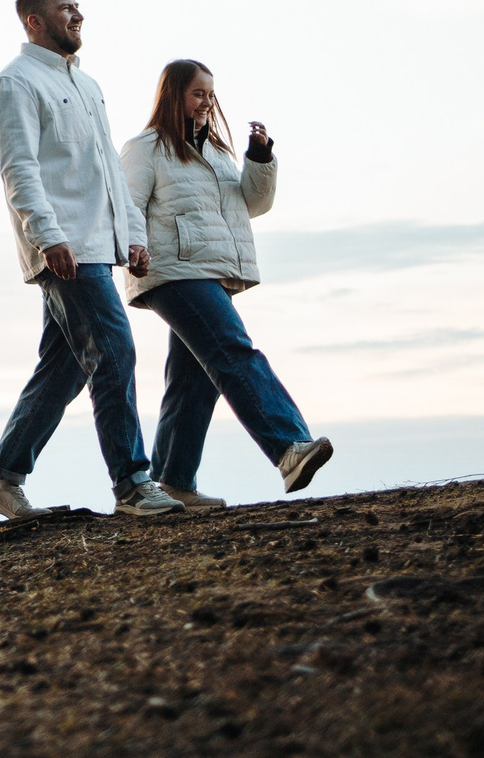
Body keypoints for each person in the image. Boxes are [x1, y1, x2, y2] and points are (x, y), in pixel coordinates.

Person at [0, 0, 186, 520]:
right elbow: (19, 169)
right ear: (34, 20)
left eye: (77, 7)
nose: (78, 15)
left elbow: (110, 169)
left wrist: (132, 234)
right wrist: (47, 236)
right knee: (114, 352)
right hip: (64, 247)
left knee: (63, 369)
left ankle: (2, 478)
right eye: (65, 8)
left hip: (96, 244)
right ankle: (133, 484)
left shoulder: (87, 85)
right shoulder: (15, 83)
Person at [119, 59, 332, 507]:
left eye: (211, 95)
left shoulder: (217, 152)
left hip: (209, 270)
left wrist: (259, 158)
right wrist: (133, 247)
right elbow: (128, 205)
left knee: (195, 377)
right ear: (173, 95)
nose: (206, 103)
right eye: (198, 93)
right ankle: (289, 447)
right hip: (172, 269)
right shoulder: (145, 148)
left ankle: (173, 480)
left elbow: (250, 205)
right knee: (234, 351)